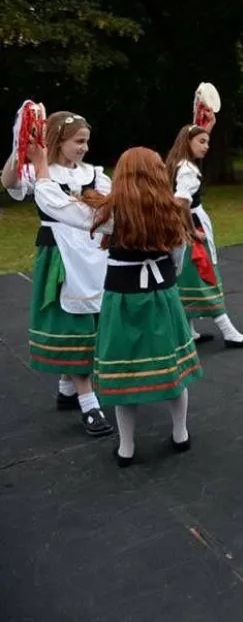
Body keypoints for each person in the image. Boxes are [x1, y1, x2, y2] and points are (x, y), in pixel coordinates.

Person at [24, 143, 199, 467]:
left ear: (122, 176)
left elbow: (56, 205)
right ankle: (180, 433)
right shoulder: (172, 210)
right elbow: (177, 256)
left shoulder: (111, 214)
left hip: (122, 300)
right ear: (159, 175)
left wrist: (42, 167)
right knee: (172, 367)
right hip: (163, 296)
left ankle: (127, 447)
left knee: (124, 371)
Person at [1, 111, 114, 436]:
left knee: (90, 321)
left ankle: (68, 386)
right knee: (73, 324)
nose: (84, 148)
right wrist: (21, 142)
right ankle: (89, 403)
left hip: (92, 256)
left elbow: (100, 209)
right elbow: (8, 182)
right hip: (59, 257)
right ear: (58, 141)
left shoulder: (95, 175)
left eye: (86, 141)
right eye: (79, 141)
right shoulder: (39, 172)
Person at [164, 118, 243, 349]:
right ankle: (230, 333)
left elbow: (178, 201)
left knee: (185, 277)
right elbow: (181, 201)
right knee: (205, 276)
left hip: (180, 230)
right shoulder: (187, 169)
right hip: (192, 230)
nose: (206, 146)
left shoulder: (176, 163)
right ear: (188, 142)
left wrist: (208, 123)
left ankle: (189, 330)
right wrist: (191, 231)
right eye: (202, 141)